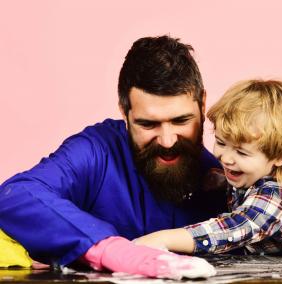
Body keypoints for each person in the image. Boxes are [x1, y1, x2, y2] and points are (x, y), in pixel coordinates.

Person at [0, 35, 227, 279]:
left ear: (202, 105)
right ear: (125, 112)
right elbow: (17, 195)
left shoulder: (231, 169)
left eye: (181, 121)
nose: (167, 140)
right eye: (148, 124)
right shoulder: (97, 151)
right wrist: (109, 249)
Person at [134, 79, 282, 256]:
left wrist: (163, 238)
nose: (225, 158)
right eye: (221, 142)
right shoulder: (252, 174)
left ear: (280, 156)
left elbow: (237, 227)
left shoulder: (278, 192)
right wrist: (221, 181)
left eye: (242, 153)